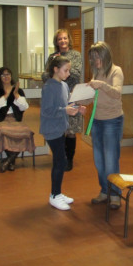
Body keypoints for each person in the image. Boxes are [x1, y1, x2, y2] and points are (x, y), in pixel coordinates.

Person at [40, 56, 85, 210]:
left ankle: (57, 193)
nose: (68, 73)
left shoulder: (64, 85)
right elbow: (47, 111)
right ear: (56, 69)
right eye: (66, 70)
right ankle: (54, 195)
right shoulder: (48, 87)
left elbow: (67, 104)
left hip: (60, 128)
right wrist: (65, 110)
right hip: (51, 129)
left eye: (69, 70)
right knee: (61, 161)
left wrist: (77, 108)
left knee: (60, 161)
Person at [84, 42, 124, 210]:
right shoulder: (96, 73)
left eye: (98, 57)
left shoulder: (116, 71)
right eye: (93, 58)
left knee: (110, 159)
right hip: (97, 121)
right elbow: (93, 97)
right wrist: (79, 100)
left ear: (106, 56)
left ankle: (115, 194)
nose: (96, 60)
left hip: (112, 121)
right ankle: (104, 191)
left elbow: (117, 93)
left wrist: (101, 84)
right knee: (99, 160)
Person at [42, 29, 83, 171]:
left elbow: (76, 75)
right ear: (56, 41)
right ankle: (61, 157)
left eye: (65, 38)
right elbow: (45, 75)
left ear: (69, 39)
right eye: (60, 39)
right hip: (57, 97)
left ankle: (69, 159)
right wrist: (55, 68)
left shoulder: (76, 55)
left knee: (71, 130)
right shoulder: (52, 57)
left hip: (72, 96)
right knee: (60, 130)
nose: (63, 41)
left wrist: (63, 67)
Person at [0, 67, 36, 172]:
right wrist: (6, 95)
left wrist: (16, 95)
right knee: (3, 131)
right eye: (3, 75)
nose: (6, 77)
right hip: (1, 120)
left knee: (26, 131)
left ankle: (9, 160)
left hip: (15, 119)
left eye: (8, 74)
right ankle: (12, 160)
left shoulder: (18, 91)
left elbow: (24, 107)